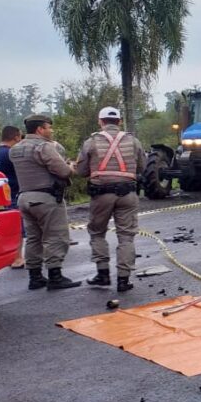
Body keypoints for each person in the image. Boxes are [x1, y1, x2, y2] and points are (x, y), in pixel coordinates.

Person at [75, 106, 146, 292]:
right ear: (119, 121)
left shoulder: (91, 142)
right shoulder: (133, 141)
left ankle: (103, 274)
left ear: (101, 122)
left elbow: (81, 171)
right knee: (126, 237)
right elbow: (142, 167)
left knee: (97, 233)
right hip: (128, 194)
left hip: (101, 194)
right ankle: (123, 280)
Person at [9, 114, 80, 290]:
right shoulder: (44, 147)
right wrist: (71, 167)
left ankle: (35, 277)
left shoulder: (15, 149)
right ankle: (55, 276)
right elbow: (63, 171)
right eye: (49, 127)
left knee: (33, 238)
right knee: (55, 236)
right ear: (40, 129)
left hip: (24, 198)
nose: (51, 130)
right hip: (46, 198)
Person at [0, 125, 24, 268]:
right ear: (16, 137)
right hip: (12, 193)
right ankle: (17, 258)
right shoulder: (11, 153)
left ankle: (10, 256)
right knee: (16, 226)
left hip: (0, 194)